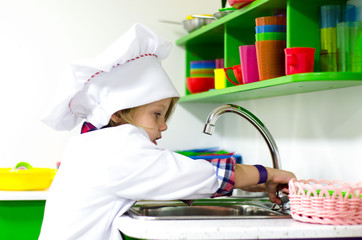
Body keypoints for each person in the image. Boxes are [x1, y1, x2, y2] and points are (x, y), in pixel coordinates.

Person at [39, 24, 296, 240]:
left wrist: (255, 181)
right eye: (157, 114)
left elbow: (173, 177)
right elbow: (199, 175)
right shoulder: (117, 145)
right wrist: (268, 172)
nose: (163, 126)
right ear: (117, 113)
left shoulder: (95, 143)